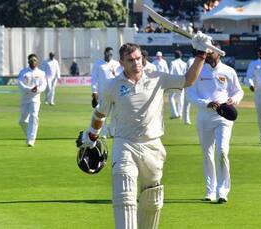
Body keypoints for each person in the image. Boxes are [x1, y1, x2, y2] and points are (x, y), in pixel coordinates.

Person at [81, 32, 212, 229]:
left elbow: (188, 80)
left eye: (138, 58)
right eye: (130, 60)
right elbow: (100, 114)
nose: (136, 63)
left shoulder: (157, 77)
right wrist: (92, 134)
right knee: (124, 193)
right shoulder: (112, 85)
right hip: (125, 143)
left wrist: (201, 55)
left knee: (152, 199)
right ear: (121, 62)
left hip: (153, 145)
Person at [187, 42, 244, 204]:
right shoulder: (198, 70)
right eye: (207, 51)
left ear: (219, 54)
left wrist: (234, 99)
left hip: (223, 117)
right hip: (204, 116)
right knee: (207, 154)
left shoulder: (228, 71)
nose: (208, 53)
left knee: (222, 151)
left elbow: (239, 90)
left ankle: (222, 191)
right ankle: (210, 190)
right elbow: (190, 93)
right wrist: (206, 103)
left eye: (212, 51)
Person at [91, 47, 122, 138]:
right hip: (102, 93)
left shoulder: (116, 64)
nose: (110, 56)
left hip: (114, 92)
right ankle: (104, 132)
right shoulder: (98, 64)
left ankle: (112, 132)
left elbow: (120, 77)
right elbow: (94, 79)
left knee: (115, 114)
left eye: (111, 54)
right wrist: (94, 92)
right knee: (102, 113)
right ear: (104, 53)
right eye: (108, 54)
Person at [18, 54, 47, 147]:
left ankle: (31, 139)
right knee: (22, 121)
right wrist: (29, 89)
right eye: (31, 60)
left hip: (35, 98)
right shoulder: (23, 72)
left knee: (34, 116)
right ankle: (29, 135)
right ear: (28, 62)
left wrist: (37, 89)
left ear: (37, 62)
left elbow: (44, 85)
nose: (33, 62)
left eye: (35, 60)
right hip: (25, 98)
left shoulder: (41, 73)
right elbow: (20, 84)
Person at [169, 50, 188, 120]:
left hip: (174, 82)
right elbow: (186, 74)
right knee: (180, 99)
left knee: (171, 98)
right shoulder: (184, 64)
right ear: (181, 56)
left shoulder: (172, 63)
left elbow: (170, 73)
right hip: (182, 82)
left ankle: (175, 114)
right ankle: (180, 114)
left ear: (174, 55)